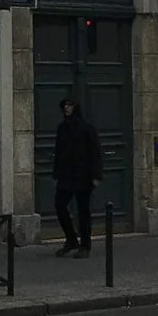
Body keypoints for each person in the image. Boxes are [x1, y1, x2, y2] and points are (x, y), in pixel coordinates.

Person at [51, 96, 104, 257]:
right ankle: (71, 239)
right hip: (66, 175)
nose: (67, 108)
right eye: (65, 105)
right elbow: (58, 152)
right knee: (60, 205)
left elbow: (96, 152)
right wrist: (56, 173)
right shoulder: (62, 128)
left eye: (70, 105)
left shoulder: (87, 128)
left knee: (83, 212)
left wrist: (96, 175)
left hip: (83, 175)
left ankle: (85, 245)